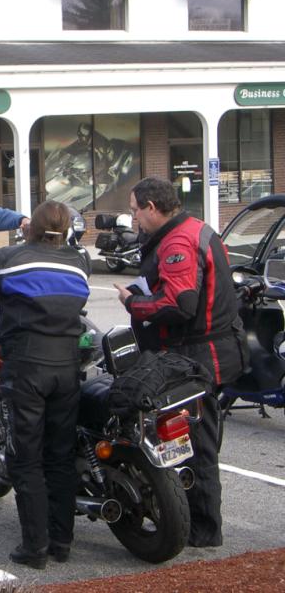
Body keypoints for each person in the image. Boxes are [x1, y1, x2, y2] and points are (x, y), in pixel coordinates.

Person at [114, 177, 248, 548]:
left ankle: (202, 529)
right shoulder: (194, 229)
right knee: (192, 438)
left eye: (135, 210)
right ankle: (189, 517)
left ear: (151, 207)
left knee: (196, 444)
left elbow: (179, 303)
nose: (134, 218)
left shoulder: (179, 241)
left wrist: (133, 302)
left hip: (197, 356)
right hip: (204, 351)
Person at [0, 200, 90, 569]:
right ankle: (62, 541)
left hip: (26, 365)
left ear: (32, 227)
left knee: (26, 457)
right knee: (60, 455)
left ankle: (35, 547)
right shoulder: (79, 261)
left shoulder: (11, 258)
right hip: (67, 365)